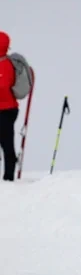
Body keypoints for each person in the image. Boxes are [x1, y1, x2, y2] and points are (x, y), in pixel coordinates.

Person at [0, 32, 19, 181]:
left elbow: (3, 86)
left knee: (6, 143)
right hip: (6, 108)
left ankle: (8, 177)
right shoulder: (5, 63)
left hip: (6, 110)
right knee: (5, 142)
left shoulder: (5, 65)